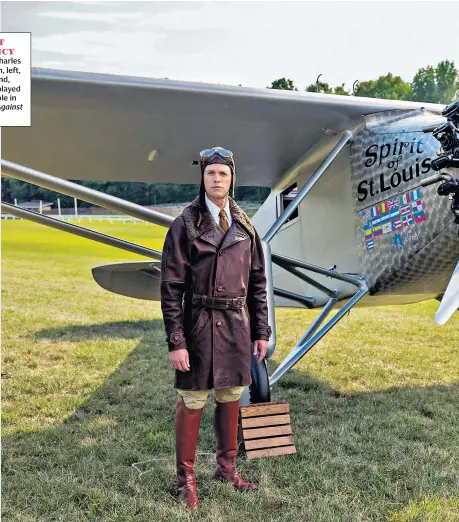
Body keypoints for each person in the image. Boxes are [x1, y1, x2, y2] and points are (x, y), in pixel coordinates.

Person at [160, 146, 272, 509]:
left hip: (237, 326)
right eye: (211, 174)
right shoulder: (184, 224)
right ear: (203, 179)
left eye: (223, 174)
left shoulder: (245, 225)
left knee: (231, 396)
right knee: (193, 399)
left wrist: (261, 330)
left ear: (231, 179)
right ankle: (186, 481)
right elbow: (171, 288)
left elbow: (257, 282)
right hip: (199, 325)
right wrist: (176, 340)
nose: (217, 179)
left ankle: (227, 469)